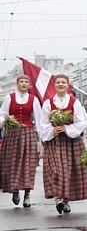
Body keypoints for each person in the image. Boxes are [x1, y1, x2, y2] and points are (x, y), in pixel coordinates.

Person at [37, 74, 87, 214]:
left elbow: (82, 122)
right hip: (54, 142)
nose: (60, 85)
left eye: (63, 82)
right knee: (55, 170)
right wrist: (52, 129)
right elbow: (42, 123)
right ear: (54, 85)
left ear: (68, 85)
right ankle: (58, 199)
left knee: (67, 171)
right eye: (58, 82)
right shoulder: (48, 103)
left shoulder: (74, 102)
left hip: (70, 142)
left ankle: (65, 201)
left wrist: (67, 128)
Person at [0, 74, 42, 208]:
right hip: (12, 133)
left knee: (28, 164)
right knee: (12, 162)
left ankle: (27, 194)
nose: (23, 84)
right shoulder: (9, 98)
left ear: (29, 85)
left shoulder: (33, 99)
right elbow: (3, 114)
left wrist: (42, 137)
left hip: (28, 133)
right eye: (21, 82)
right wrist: (4, 122)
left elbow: (38, 118)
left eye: (26, 82)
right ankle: (15, 190)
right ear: (17, 84)